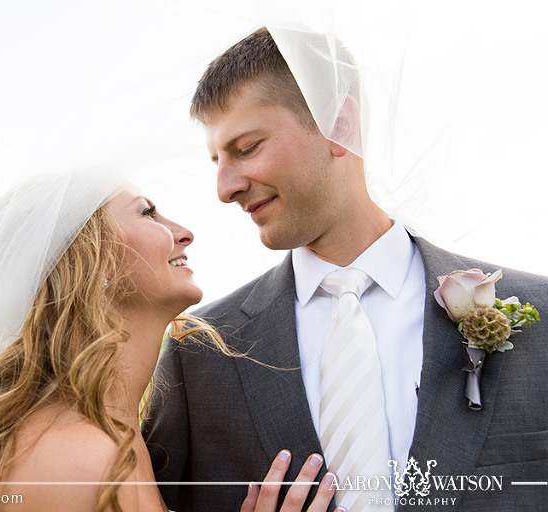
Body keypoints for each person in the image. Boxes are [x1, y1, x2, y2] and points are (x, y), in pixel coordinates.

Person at [142, 27, 548, 512]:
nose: (224, 188)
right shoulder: (200, 350)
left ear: (339, 124)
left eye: (246, 148)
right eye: (216, 160)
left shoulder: (538, 313)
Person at [0, 171, 342, 512]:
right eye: (148, 213)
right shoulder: (75, 462)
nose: (184, 232)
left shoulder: (115, 435)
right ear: (87, 257)